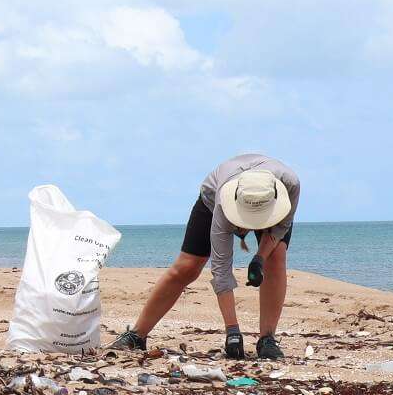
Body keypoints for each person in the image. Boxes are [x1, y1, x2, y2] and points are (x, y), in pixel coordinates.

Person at [110, 154, 299, 360]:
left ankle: (267, 339)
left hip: (268, 201)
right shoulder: (222, 203)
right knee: (188, 266)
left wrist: (259, 258)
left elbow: (281, 226)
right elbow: (221, 267)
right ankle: (137, 335)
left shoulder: (290, 185)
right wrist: (232, 331)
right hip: (213, 200)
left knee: (276, 257)